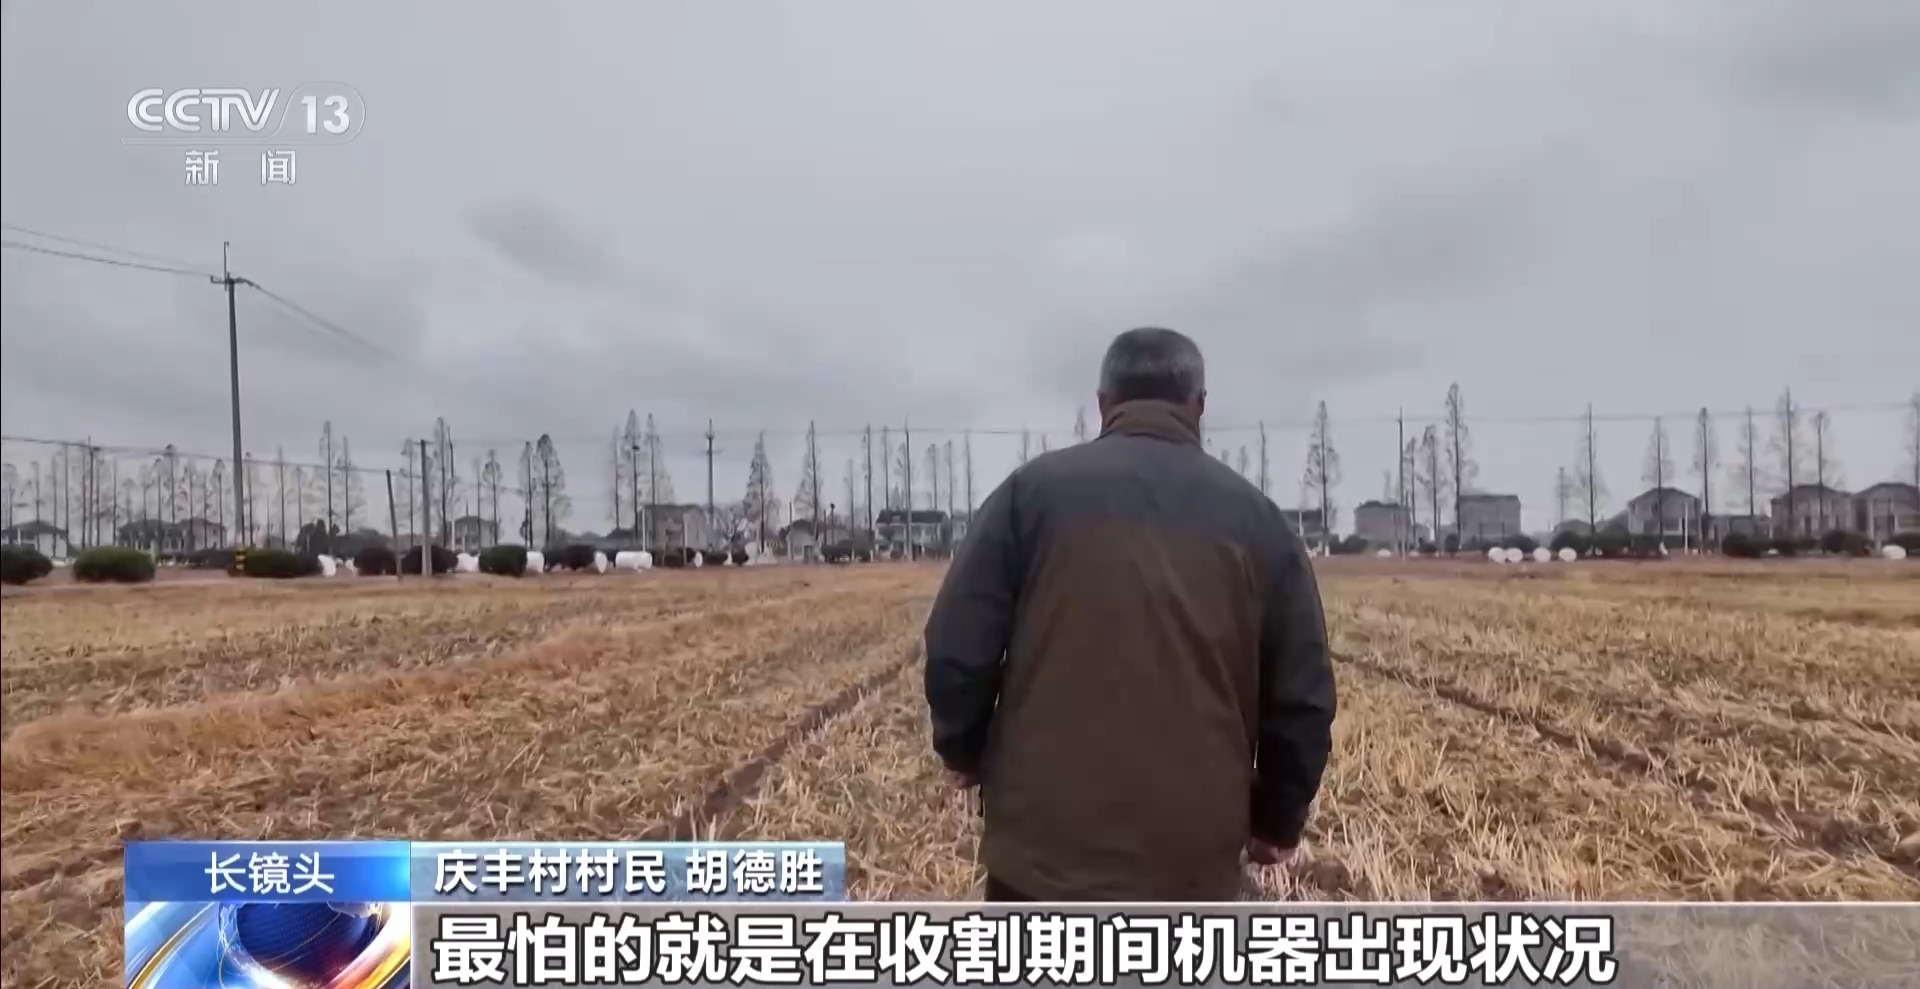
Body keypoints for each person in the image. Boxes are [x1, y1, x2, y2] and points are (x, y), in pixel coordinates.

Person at [922, 327, 1336, 902]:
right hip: (1192, 859)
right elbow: (1302, 693)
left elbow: (956, 647)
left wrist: (962, 749)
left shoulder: (1028, 496)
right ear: (1199, 405)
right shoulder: (1261, 522)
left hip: (1041, 854)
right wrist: (1278, 818)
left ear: (1103, 403)